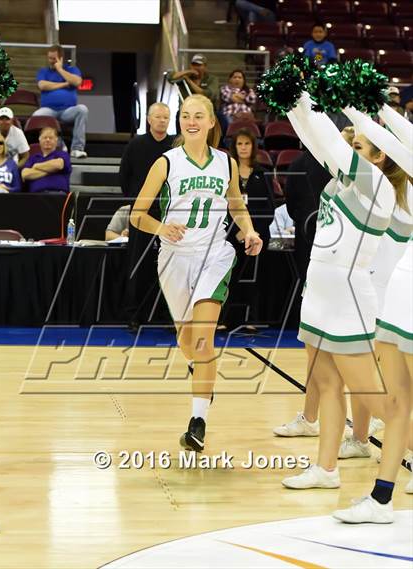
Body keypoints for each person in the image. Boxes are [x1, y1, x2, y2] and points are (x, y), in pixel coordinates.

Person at [279, 92, 409, 525]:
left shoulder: (376, 186)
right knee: (327, 384)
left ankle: (393, 469)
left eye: (360, 146)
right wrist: (292, 103)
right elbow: (316, 139)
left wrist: (308, 96)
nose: (349, 148)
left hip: (349, 297)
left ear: (379, 155)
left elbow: (332, 142)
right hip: (320, 289)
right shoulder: (343, 178)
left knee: (379, 398)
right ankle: (326, 468)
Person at [130, 94, 262, 452]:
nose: (191, 120)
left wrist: (248, 230)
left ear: (210, 123)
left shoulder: (226, 163)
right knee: (187, 342)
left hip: (214, 256)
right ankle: (203, 374)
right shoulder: (166, 163)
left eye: (198, 115)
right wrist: (161, 228)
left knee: (204, 341)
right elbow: (136, 215)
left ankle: (197, 421)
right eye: (185, 115)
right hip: (173, 258)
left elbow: (236, 204)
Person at [119, 102, 175, 329]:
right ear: (149, 119)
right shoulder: (135, 145)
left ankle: (168, 314)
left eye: (166, 117)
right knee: (138, 265)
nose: (162, 120)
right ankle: (134, 315)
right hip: (142, 214)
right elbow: (124, 179)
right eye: (158, 117)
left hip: (170, 215)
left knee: (170, 266)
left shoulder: (175, 146)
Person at [225, 127, 274, 331]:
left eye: (247, 143)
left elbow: (269, 207)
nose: (243, 147)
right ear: (234, 147)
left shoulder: (262, 173)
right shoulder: (227, 173)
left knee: (255, 279)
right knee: (229, 277)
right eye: (239, 144)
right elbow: (224, 204)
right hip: (232, 236)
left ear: (253, 147)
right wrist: (237, 230)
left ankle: (252, 318)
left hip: (257, 236)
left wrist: (252, 232)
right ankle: (226, 320)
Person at [33, 45, 88, 158]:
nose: (51, 61)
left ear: (61, 58)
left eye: (54, 59)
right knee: (37, 115)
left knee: (82, 109)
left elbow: (77, 82)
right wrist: (65, 84)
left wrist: (60, 69)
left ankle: (77, 148)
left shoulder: (72, 70)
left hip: (67, 110)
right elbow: (42, 85)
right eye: (49, 58)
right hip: (48, 110)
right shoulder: (44, 71)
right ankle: (58, 144)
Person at [21, 126, 71, 193]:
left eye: (51, 138)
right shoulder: (33, 157)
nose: (47, 140)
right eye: (45, 138)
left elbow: (58, 165)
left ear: (56, 140)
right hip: (35, 196)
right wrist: (52, 170)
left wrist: (36, 166)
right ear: (39, 140)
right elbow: (25, 174)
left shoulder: (62, 154)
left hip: (57, 195)